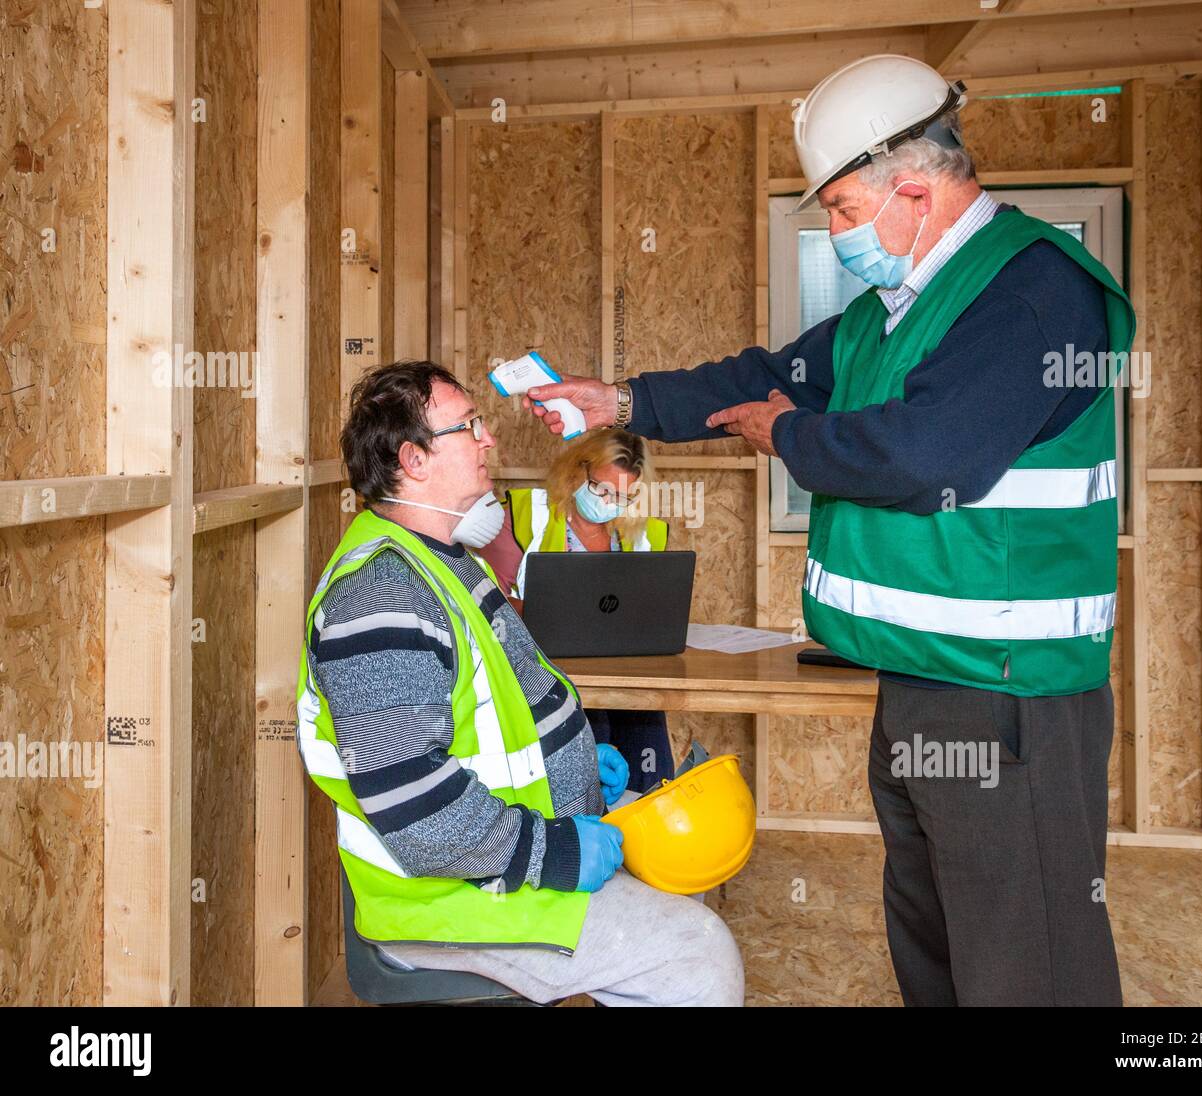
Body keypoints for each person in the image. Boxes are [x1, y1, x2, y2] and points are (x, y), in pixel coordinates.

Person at [520, 54, 1133, 1006]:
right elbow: (762, 378)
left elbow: (926, 452)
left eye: (844, 210)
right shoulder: (888, 316)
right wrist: (622, 400)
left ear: (918, 192)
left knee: (1024, 961)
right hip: (921, 679)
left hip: (1009, 696)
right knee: (935, 940)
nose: (837, 232)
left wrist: (790, 435)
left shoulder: (1031, 294)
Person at [296, 360, 743, 1006]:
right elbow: (419, 811)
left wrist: (584, 765)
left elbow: (503, 711)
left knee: (681, 869)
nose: (489, 440)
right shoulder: (381, 594)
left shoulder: (444, 562)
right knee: (698, 957)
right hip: (453, 900)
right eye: (469, 427)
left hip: (498, 865)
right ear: (412, 459)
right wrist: (557, 852)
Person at [477, 429, 675, 795]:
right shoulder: (524, 517)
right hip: (548, 673)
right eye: (602, 489)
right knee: (587, 730)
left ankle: (647, 824)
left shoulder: (645, 534)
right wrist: (550, 613)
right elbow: (488, 601)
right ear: (576, 471)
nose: (610, 502)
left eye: (624, 496)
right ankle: (588, 826)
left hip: (625, 673)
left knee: (647, 728)